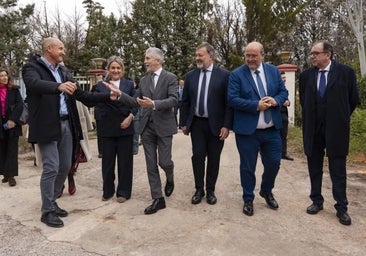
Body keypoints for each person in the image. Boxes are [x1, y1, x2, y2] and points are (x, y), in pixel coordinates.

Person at [22, 37, 118, 228]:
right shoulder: (31, 68)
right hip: (46, 126)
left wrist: (108, 96)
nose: (63, 51)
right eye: (61, 48)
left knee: (65, 166)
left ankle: (52, 201)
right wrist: (57, 87)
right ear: (49, 49)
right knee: (51, 166)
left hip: (66, 125)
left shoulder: (64, 72)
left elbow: (83, 96)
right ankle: (47, 211)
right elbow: (34, 85)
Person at [299, 40, 359, 225]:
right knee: (314, 166)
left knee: (338, 170)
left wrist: (338, 118)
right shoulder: (306, 75)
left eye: (316, 53)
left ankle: (341, 207)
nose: (312, 57)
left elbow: (352, 99)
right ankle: (316, 201)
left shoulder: (346, 73)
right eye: (311, 54)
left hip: (337, 130)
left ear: (328, 54)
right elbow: (304, 100)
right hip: (313, 128)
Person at [113, 47, 178, 214]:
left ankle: (170, 177)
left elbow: (173, 100)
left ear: (158, 60)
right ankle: (158, 198)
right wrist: (120, 95)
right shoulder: (143, 81)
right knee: (150, 164)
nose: (145, 61)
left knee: (164, 162)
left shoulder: (170, 77)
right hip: (147, 127)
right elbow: (136, 102)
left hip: (164, 126)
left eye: (148, 58)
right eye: (145, 58)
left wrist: (154, 104)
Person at [227, 41, 288, 216]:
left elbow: (283, 92)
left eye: (254, 55)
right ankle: (248, 199)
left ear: (262, 55)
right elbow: (232, 99)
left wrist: (276, 100)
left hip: (271, 130)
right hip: (247, 132)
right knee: (248, 167)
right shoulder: (237, 74)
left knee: (274, 163)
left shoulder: (273, 71)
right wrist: (256, 105)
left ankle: (266, 190)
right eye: (248, 55)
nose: (250, 59)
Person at [179, 42, 232, 205]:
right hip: (197, 124)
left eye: (200, 55)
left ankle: (210, 191)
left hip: (216, 125)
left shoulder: (224, 75)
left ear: (211, 56)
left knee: (214, 159)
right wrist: (183, 122)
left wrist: (227, 125)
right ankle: (199, 189)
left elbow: (229, 103)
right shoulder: (190, 76)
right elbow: (185, 101)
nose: (197, 58)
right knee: (198, 157)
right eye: (196, 55)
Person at [91, 56, 137, 203]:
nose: (115, 70)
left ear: (122, 70)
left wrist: (129, 118)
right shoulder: (101, 86)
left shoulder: (129, 85)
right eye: (113, 67)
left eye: (118, 68)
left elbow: (135, 104)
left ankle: (123, 192)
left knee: (125, 163)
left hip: (125, 127)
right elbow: (98, 104)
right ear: (108, 70)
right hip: (108, 128)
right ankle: (108, 190)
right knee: (107, 163)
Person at [0, 68, 24, 187]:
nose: (4, 78)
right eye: (1, 76)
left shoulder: (14, 89)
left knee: (12, 149)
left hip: (13, 123)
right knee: (2, 148)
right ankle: (5, 174)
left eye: (6, 75)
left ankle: (12, 176)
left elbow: (20, 105)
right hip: (1, 123)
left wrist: (12, 120)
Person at [279, 71, 294, 161]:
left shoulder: (284, 88)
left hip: (284, 115)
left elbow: (287, 101)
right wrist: (283, 102)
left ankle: (283, 153)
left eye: (285, 78)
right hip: (277, 114)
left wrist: (288, 102)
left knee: (284, 135)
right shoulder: (273, 88)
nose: (284, 80)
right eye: (282, 78)